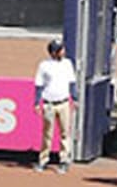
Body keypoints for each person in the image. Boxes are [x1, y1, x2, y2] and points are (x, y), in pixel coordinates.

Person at [34, 38, 77, 173]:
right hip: (49, 104)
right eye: (60, 50)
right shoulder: (44, 65)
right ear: (54, 52)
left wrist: (74, 98)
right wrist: (36, 102)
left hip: (63, 102)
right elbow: (39, 85)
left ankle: (64, 160)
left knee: (65, 133)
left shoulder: (68, 64)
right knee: (47, 134)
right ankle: (43, 160)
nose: (63, 52)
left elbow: (72, 83)